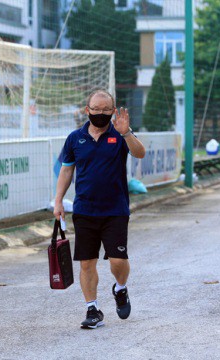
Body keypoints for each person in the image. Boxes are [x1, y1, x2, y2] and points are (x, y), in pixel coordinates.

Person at [54, 89, 146, 329]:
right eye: (96, 110)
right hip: (84, 210)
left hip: (115, 210)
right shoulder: (75, 138)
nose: (101, 114)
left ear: (113, 111)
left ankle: (120, 288)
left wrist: (126, 133)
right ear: (87, 110)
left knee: (117, 260)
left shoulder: (120, 135)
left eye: (106, 110)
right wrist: (58, 201)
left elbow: (140, 153)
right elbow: (66, 170)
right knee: (87, 263)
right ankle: (92, 309)